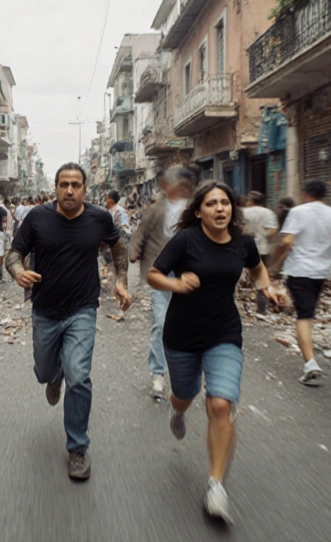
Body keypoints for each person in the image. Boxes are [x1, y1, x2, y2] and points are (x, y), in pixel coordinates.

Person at [148, 181, 280, 522]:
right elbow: (153, 275)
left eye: (225, 203)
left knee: (220, 404)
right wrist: (176, 283)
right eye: (212, 204)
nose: (220, 209)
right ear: (198, 211)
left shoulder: (243, 243)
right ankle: (177, 411)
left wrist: (268, 287)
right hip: (181, 335)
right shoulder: (184, 241)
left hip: (224, 332)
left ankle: (216, 485)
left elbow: (257, 268)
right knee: (184, 394)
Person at [7, 163, 132, 481]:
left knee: (80, 377)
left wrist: (121, 281)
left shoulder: (99, 218)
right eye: (64, 184)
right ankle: (54, 374)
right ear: (56, 187)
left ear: (85, 189)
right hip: (45, 310)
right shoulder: (38, 217)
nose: (70, 190)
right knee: (44, 372)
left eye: (76, 184)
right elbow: (13, 253)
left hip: (82, 309)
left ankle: (77, 448)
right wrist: (18, 272)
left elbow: (118, 246)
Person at [271, 180, 331, 386]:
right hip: (321, 273)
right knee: (307, 314)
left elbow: (287, 241)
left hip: (299, 270)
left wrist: (274, 263)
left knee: (304, 317)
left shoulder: (298, 212)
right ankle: (309, 360)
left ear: (304, 193)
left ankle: (310, 363)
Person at [129, 166, 196, 401]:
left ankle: (185, 372)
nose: (166, 186)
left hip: (190, 274)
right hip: (162, 273)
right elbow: (141, 232)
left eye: (170, 182)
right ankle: (157, 374)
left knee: (188, 325)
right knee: (161, 322)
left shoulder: (197, 208)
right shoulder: (156, 208)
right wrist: (134, 252)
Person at [240, 191, 279, 314]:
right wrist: (262, 237)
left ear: (251, 201)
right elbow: (273, 230)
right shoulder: (268, 213)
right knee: (261, 279)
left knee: (238, 278)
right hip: (262, 249)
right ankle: (261, 308)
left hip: (242, 249)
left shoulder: (242, 212)